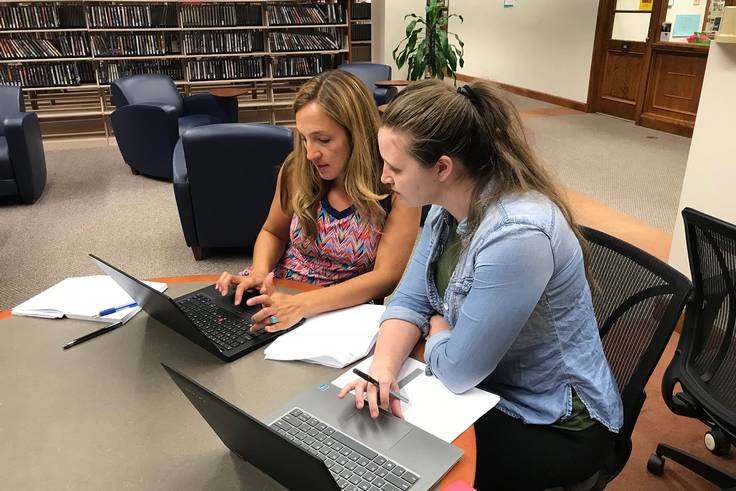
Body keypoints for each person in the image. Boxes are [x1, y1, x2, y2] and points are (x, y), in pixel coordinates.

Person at [338, 79, 624, 490]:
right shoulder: (445, 205)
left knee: (400, 455)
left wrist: (437, 331)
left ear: (442, 167)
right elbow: (409, 298)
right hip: (489, 385)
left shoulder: (516, 235)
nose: (384, 177)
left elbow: (457, 371)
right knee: (373, 423)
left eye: (396, 167)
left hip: (553, 422)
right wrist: (380, 371)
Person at [215, 70, 420, 332]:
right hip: (278, 289)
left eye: (323, 139)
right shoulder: (297, 168)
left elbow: (386, 278)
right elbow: (272, 232)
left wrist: (301, 304)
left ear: (357, 135)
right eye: (303, 138)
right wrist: (259, 273)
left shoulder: (395, 184)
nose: (310, 153)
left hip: (338, 309)